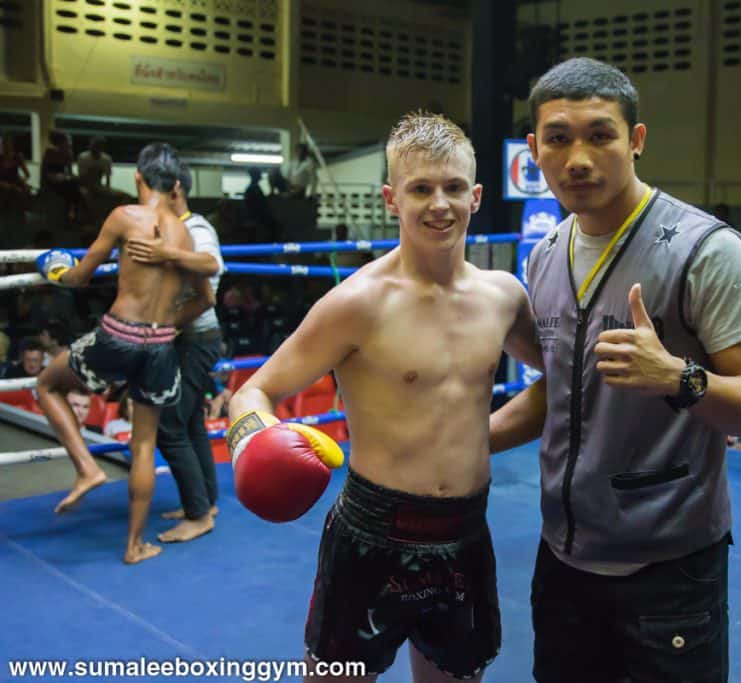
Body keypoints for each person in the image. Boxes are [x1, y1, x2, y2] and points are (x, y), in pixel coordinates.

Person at [489, 58, 741, 683]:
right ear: (534, 150)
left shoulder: (705, 250)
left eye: (601, 135)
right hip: (564, 557)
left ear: (637, 140)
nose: (578, 158)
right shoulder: (544, 256)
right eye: (559, 138)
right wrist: (463, 443)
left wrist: (680, 379)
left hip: (669, 565)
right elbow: (561, 391)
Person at [227, 112, 541, 682]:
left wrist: (483, 438)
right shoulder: (357, 303)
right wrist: (256, 441)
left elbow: (562, 377)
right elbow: (255, 389)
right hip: (372, 534)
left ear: (476, 196)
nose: (438, 204)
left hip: (467, 531)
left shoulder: (504, 297)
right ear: (391, 199)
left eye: (451, 188)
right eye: (420, 189)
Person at [33, 142, 193, 565]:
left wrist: (54, 269)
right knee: (144, 446)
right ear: (175, 184)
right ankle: (134, 546)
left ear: (137, 178)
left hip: (121, 336)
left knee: (47, 383)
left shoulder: (124, 216)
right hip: (161, 345)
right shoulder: (183, 232)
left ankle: (87, 468)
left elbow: (81, 277)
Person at [126, 161, 223, 543]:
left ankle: (199, 515)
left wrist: (165, 253)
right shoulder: (169, 227)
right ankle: (205, 502)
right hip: (187, 338)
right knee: (191, 422)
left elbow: (212, 264)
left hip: (197, 338)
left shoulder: (196, 227)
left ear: (174, 188)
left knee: (169, 426)